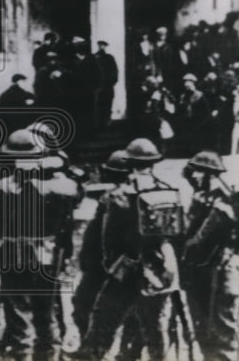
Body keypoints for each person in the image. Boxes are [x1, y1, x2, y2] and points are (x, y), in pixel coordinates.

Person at [73, 139, 183, 361]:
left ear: (130, 162)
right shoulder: (168, 190)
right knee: (154, 326)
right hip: (159, 269)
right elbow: (179, 232)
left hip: (128, 269)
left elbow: (109, 239)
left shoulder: (120, 194)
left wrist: (113, 265)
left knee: (103, 321)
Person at [0, 129, 81, 361]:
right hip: (49, 255)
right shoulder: (63, 187)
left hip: (14, 255)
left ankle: (22, 355)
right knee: (47, 315)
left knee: (18, 315)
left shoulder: (7, 187)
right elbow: (68, 225)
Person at [181, 151, 239, 361]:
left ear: (210, 174)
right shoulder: (204, 199)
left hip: (221, 274)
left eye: (198, 172)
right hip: (202, 275)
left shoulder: (222, 204)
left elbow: (198, 240)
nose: (194, 177)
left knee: (222, 335)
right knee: (204, 333)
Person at [72, 150, 132, 342]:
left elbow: (96, 234)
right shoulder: (132, 195)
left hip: (101, 263)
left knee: (85, 304)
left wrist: (87, 260)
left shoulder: (111, 198)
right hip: (116, 263)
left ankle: (89, 346)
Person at [92, 40, 118, 133]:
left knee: (107, 106)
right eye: (100, 45)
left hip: (108, 87)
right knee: (98, 107)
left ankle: (106, 125)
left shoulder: (110, 58)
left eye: (103, 46)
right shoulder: (94, 58)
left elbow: (115, 73)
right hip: (98, 88)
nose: (101, 47)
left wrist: (111, 82)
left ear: (106, 47)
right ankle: (97, 127)